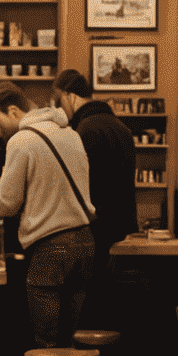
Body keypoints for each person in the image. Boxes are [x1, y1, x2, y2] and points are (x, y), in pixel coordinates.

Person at [0, 81, 95, 347]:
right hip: (86, 241)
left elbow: (7, 204)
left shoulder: (22, 140)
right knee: (70, 339)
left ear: (13, 111)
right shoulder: (71, 134)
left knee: (47, 343)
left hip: (51, 248)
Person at [51, 69, 136, 308]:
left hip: (94, 236)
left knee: (88, 308)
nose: (60, 109)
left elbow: (80, 190)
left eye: (60, 101)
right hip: (120, 232)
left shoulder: (83, 131)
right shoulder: (121, 129)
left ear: (68, 95)